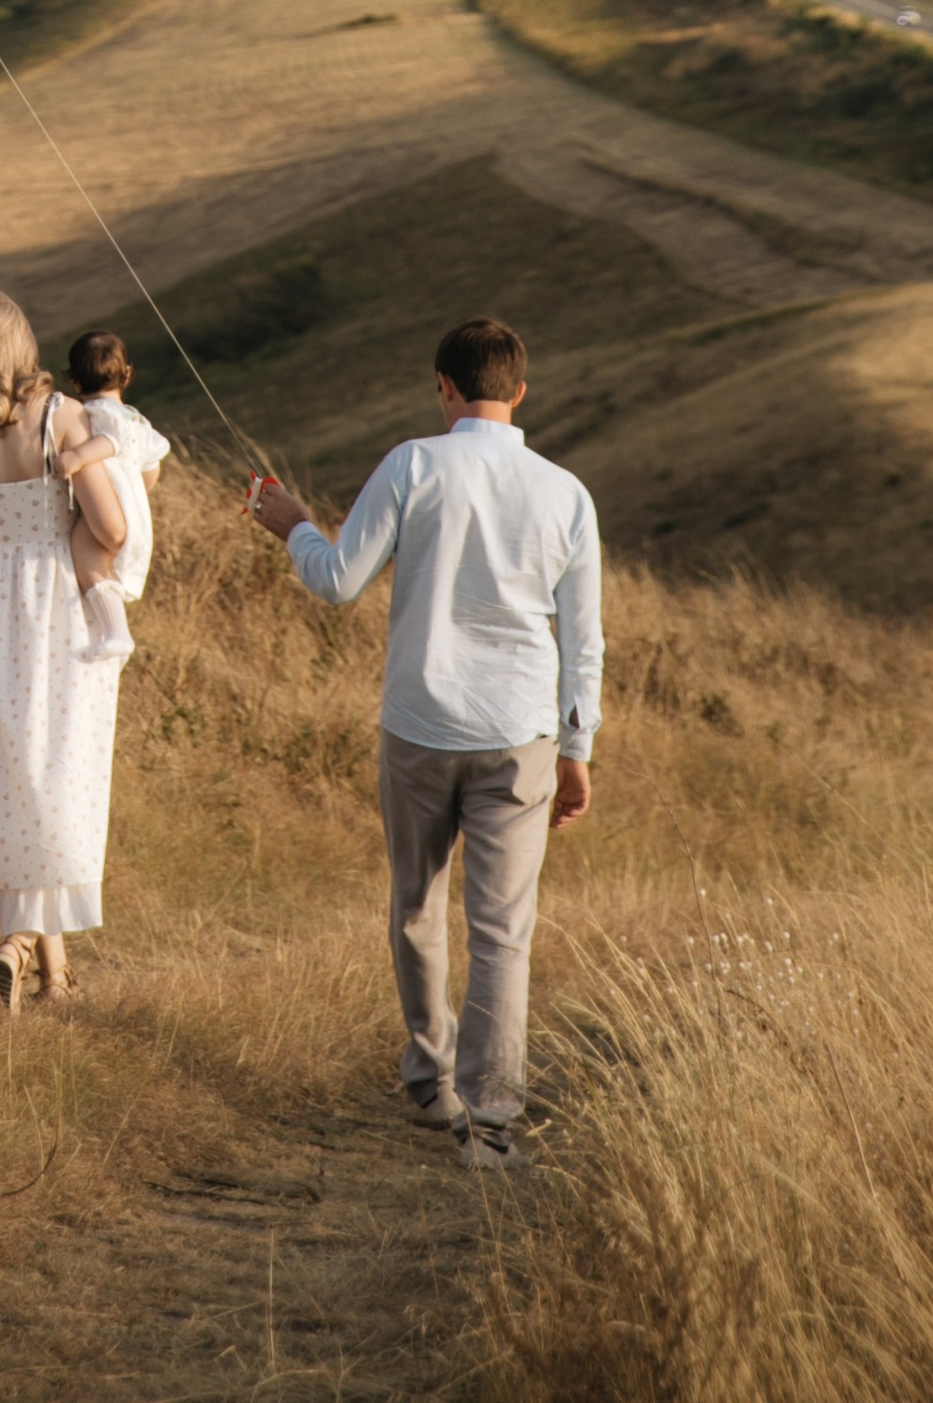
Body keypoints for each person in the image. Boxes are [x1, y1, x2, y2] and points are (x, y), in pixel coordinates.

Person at [249, 315, 602, 1170]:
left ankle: (428, 1079)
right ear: (521, 391)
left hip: (417, 724)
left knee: (416, 906)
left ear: (443, 388)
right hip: (520, 730)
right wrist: (577, 745)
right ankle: (489, 1119)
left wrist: (291, 522)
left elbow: (335, 582)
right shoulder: (566, 493)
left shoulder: (414, 462)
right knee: (501, 931)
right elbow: (583, 636)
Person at [0, 280, 134, 1016]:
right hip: (55, 608)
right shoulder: (65, 416)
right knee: (56, 779)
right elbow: (111, 528)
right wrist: (73, 554)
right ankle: (16, 945)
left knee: (12, 786)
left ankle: (53, 975)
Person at [65, 330, 172, 642]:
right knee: (106, 572)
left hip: (106, 506)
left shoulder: (95, 414)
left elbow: (108, 442)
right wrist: (136, 495)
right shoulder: (137, 420)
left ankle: (114, 632)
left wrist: (75, 457)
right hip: (135, 512)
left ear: (75, 382)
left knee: (88, 564)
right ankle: (110, 633)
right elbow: (153, 467)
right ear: (127, 374)